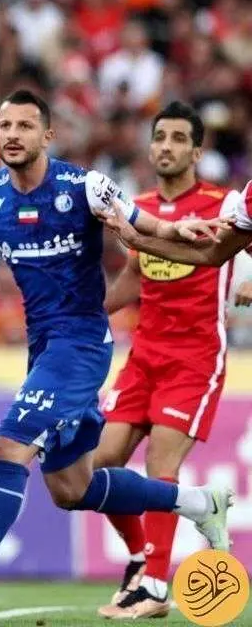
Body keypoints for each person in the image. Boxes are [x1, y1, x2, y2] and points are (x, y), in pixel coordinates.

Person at [0, 90, 233, 624]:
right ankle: (200, 503)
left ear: (47, 136)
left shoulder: (84, 185)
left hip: (81, 344)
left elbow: (144, 224)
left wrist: (176, 229)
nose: (12, 135)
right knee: (71, 488)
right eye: (4, 126)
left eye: (24, 126)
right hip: (44, 348)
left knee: (9, 449)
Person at [92, 102, 241, 619]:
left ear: (197, 152)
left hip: (195, 357)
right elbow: (135, 277)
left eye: (179, 138)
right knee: (99, 464)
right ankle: (140, 559)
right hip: (144, 357)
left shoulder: (224, 204)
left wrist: (245, 285)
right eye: (160, 137)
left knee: (160, 467)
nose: (167, 146)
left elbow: (238, 254)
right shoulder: (140, 207)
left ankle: (155, 588)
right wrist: (86, 313)